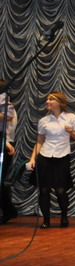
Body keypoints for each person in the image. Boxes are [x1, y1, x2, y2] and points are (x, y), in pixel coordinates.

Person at [27, 92, 75, 228]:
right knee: (44, 190)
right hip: (45, 157)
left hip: (62, 157)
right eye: (47, 99)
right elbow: (39, 142)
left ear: (60, 102)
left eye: (51, 99)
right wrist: (32, 159)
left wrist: (70, 131)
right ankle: (46, 220)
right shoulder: (44, 121)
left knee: (60, 190)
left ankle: (64, 216)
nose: (47, 102)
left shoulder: (71, 118)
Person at [0, 82, 18, 224]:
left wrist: (5, 142)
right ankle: (8, 210)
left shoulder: (4, 99)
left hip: (4, 142)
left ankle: (8, 210)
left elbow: (8, 117)